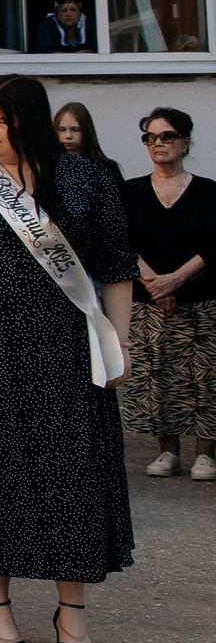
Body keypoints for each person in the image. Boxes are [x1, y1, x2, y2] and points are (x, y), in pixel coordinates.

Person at [0, 77, 134, 643]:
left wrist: (118, 341)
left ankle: (72, 611)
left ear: (32, 121)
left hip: (67, 348)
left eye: (3, 120)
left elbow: (116, 264)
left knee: (71, 472)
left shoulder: (85, 178)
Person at [125, 108, 216, 479]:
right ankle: (167, 452)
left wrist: (176, 279)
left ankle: (206, 454)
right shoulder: (129, 191)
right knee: (156, 375)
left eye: (166, 136)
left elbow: (214, 246)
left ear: (185, 142)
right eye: (150, 137)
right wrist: (154, 282)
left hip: (200, 302)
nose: (157, 143)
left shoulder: (209, 192)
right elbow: (120, 243)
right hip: (148, 304)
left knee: (205, 377)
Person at [54, 101, 120, 178]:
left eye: (75, 129)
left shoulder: (107, 167)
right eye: (62, 130)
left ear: (87, 130)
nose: (68, 136)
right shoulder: (49, 166)